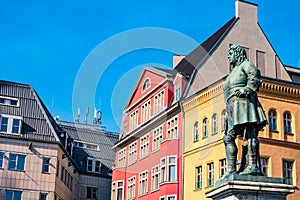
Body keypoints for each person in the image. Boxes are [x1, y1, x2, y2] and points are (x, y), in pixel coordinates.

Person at [222, 44, 267, 177]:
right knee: (228, 138)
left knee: (250, 134)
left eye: (231, 53)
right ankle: (231, 169)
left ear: (238, 53)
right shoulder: (232, 71)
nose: (229, 56)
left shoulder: (246, 64)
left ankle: (253, 166)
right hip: (232, 107)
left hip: (244, 103)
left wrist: (246, 90)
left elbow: (255, 78)